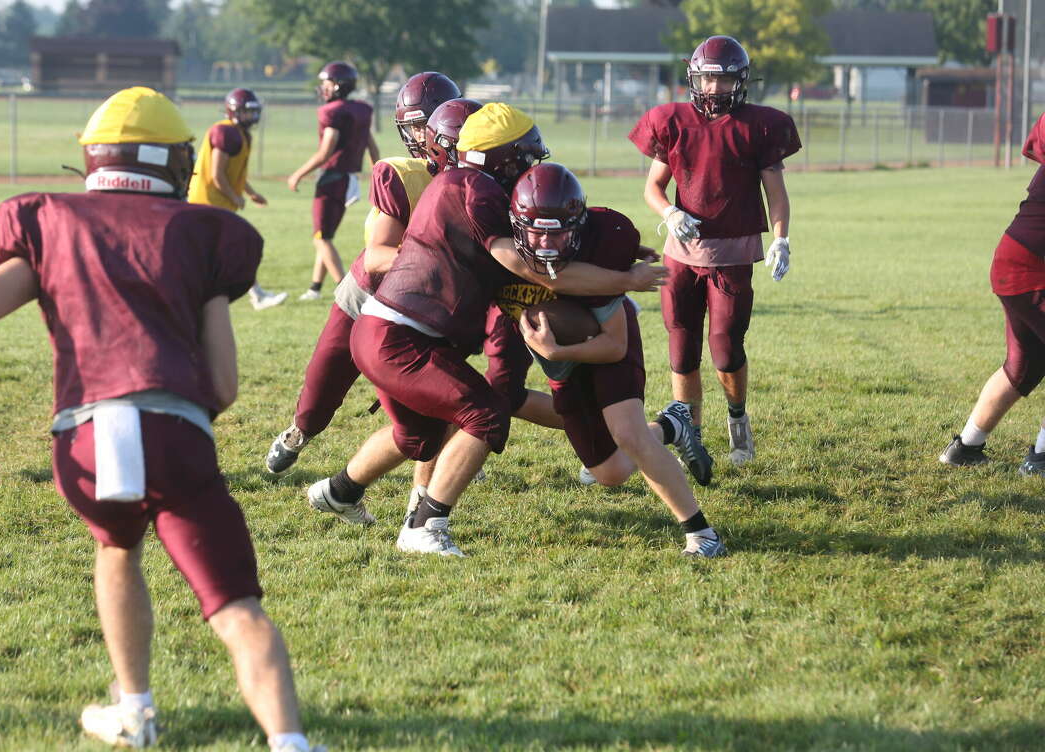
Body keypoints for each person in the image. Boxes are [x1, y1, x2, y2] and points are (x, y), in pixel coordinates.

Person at [0, 87, 324, 752]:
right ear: (177, 162)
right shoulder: (203, 235)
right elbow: (223, 387)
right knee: (235, 606)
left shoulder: (50, 221)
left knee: (117, 547)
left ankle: (134, 710)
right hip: (174, 432)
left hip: (86, 437)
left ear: (93, 158)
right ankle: (289, 743)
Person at [305, 103, 668, 557]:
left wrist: (617, 249)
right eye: (525, 156)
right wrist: (623, 280)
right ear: (503, 159)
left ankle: (339, 492)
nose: (532, 166)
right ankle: (424, 526)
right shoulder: (474, 189)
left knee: (419, 437)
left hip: (394, 332)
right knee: (486, 414)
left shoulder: (462, 183)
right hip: (402, 335)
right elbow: (527, 266)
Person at [507, 162, 725, 557]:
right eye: (536, 231)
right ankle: (670, 425)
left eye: (557, 234)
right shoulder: (502, 252)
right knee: (611, 472)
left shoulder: (604, 242)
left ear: (579, 227)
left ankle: (702, 535)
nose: (544, 245)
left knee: (628, 434)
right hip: (562, 364)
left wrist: (557, 350)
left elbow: (614, 347)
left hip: (604, 344)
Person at [266, 74, 465, 475]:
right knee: (320, 394)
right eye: (418, 126)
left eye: (431, 124)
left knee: (425, 407)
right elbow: (376, 257)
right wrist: (440, 265)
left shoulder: (473, 177)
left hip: (420, 309)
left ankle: (449, 453)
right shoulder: (401, 173)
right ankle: (300, 432)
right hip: (367, 296)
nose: (427, 135)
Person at [629, 35, 801, 465]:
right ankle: (693, 434)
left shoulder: (758, 126)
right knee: (681, 349)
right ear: (694, 78)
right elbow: (653, 186)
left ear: (740, 82)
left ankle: (738, 420)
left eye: (723, 81)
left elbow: (775, 194)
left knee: (726, 349)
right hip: (681, 253)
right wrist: (669, 213)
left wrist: (780, 237)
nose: (714, 89)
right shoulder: (675, 121)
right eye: (707, 79)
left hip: (733, 255)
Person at [940, 112, 1045, 475]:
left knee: (1023, 366)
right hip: (1031, 266)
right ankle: (1041, 459)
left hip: (1014, 260)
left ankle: (966, 447)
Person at [287, 61, 380, 302]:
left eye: (326, 84)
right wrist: (377, 171)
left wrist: (298, 173)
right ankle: (315, 288)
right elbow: (371, 144)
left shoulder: (334, 112)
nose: (323, 88)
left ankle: (344, 290)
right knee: (324, 234)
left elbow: (325, 152)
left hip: (332, 179)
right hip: (349, 179)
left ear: (338, 86)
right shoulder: (359, 110)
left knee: (321, 238)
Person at [189, 87, 287, 310]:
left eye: (253, 112)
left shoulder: (240, 133)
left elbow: (235, 174)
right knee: (233, 249)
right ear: (233, 111)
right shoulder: (226, 133)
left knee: (222, 252)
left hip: (219, 203)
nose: (251, 116)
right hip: (208, 202)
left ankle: (255, 295)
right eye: (246, 112)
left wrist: (250, 193)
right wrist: (236, 197)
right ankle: (258, 296)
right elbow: (217, 175)